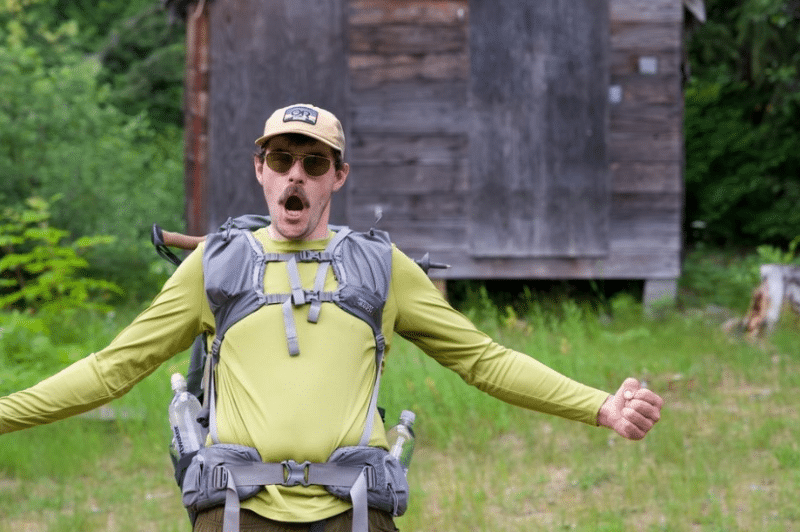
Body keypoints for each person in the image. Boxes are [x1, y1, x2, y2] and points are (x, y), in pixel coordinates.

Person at [0, 103, 663, 532]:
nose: (296, 175)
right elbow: (113, 369)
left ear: (337, 176)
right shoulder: (215, 266)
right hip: (237, 512)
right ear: (260, 169)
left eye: (313, 162)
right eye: (282, 159)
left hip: (356, 512)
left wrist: (599, 406)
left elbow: (483, 359)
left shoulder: (382, 266)